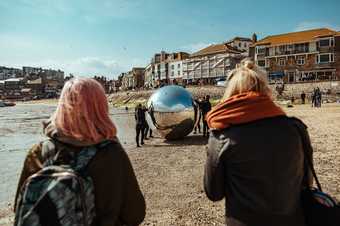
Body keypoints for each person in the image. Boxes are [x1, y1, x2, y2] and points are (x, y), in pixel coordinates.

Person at [14, 78, 145, 226]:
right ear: (101, 108)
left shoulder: (38, 152)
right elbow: (135, 214)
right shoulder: (112, 154)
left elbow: (20, 206)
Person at [204, 59, 313, 226]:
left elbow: (214, 193)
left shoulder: (221, 136)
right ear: (266, 89)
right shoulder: (296, 128)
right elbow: (307, 182)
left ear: (230, 94)